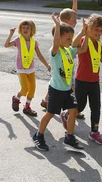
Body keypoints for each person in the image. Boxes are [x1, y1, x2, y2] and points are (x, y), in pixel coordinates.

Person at [32, 14, 89, 152]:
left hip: (68, 89)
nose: (71, 40)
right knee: (50, 113)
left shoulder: (70, 50)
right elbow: (56, 42)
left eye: (71, 38)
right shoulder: (55, 51)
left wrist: (85, 34)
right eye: (68, 38)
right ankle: (38, 135)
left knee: (73, 112)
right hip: (56, 89)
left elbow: (83, 49)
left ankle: (69, 137)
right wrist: (57, 26)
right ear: (59, 37)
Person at [62, 14, 102, 145]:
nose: (99, 33)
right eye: (96, 29)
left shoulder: (98, 45)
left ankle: (94, 132)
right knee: (81, 106)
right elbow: (73, 44)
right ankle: (67, 115)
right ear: (89, 28)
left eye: (101, 30)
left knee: (96, 107)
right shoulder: (84, 40)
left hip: (94, 82)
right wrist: (81, 31)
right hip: (82, 81)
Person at [40, 0, 79, 111]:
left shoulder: (67, 28)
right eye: (74, 20)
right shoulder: (62, 29)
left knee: (59, 81)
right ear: (67, 21)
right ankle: (72, 109)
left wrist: (75, 1)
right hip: (61, 59)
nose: (76, 22)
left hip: (67, 58)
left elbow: (73, 13)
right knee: (68, 83)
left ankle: (46, 100)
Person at [4, 19, 50, 116]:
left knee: (32, 90)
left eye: (27, 28)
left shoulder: (34, 42)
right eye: (23, 27)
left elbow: (40, 55)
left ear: (32, 30)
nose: (25, 29)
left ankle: (27, 107)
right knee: (24, 89)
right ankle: (16, 98)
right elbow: (6, 45)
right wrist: (11, 34)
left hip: (31, 68)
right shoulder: (18, 40)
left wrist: (47, 65)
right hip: (21, 68)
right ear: (20, 29)